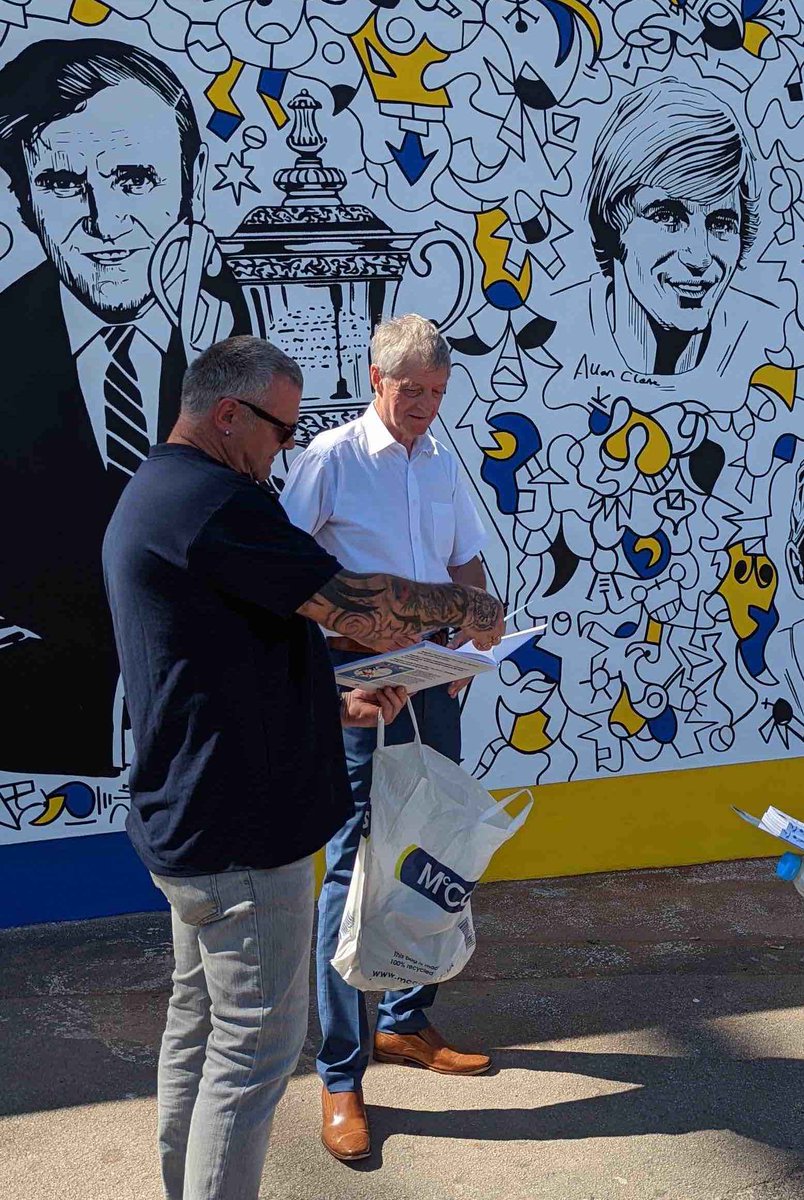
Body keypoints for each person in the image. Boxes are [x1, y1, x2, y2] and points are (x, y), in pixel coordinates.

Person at [102, 334, 504, 1200]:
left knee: (198, 1030)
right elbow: (350, 601)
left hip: (193, 814)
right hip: (239, 830)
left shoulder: (163, 494)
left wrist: (335, 700)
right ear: (228, 416)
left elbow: (227, 656)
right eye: (279, 432)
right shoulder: (216, 503)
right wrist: (465, 605)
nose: (283, 451)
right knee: (251, 1058)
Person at [0, 38, 246, 775]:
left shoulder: (273, 332)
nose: (106, 222)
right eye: (66, 183)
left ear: (191, 181)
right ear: (22, 197)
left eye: (135, 179)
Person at [281, 313, 494, 1162]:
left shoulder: (441, 459)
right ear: (377, 378)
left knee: (425, 851)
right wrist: (348, 664)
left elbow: (466, 562)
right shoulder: (329, 459)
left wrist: (480, 624)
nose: (426, 409)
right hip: (360, 695)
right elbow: (292, 577)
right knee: (349, 865)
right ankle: (340, 1076)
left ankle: (406, 1022)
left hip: (436, 687)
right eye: (413, 393)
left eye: (439, 394)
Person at [581, 78, 761, 376]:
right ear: (613, 223)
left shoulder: (773, 350)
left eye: (721, 224)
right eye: (667, 217)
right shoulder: (545, 333)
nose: (699, 257)